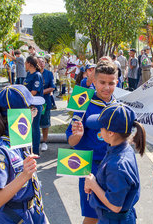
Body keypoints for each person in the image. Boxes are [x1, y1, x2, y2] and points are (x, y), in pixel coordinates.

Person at [0, 85, 47, 223]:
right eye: (32, 110)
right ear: (19, 115)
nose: (34, 114)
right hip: (12, 217)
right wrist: (24, 175)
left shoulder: (20, 142)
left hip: (32, 212)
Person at [66, 60, 118, 224]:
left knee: (113, 210)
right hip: (89, 167)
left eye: (111, 83)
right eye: (102, 82)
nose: (106, 87)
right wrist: (78, 135)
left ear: (117, 82)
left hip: (112, 167)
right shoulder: (83, 102)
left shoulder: (118, 105)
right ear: (94, 81)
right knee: (92, 215)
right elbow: (71, 140)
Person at [84, 103, 146, 224]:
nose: (99, 130)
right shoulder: (122, 148)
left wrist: (93, 185)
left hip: (114, 219)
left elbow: (115, 206)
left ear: (111, 132)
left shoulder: (117, 165)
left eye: (101, 127)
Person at [23, 56, 44, 155]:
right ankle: (28, 149)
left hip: (35, 105)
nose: (24, 65)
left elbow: (34, 92)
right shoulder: (28, 74)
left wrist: (22, 95)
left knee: (35, 128)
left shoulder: (37, 75)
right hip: (28, 104)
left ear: (30, 64)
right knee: (28, 127)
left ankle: (35, 151)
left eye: (25, 63)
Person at [37, 57, 56, 152]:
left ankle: (44, 142)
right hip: (34, 103)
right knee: (34, 124)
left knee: (45, 124)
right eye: (39, 62)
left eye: (43, 62)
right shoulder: (32, 74)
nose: (41, 63)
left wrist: (40, 92)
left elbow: (52, 87)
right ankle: (35, 142)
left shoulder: (49, 74)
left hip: (45, 102)